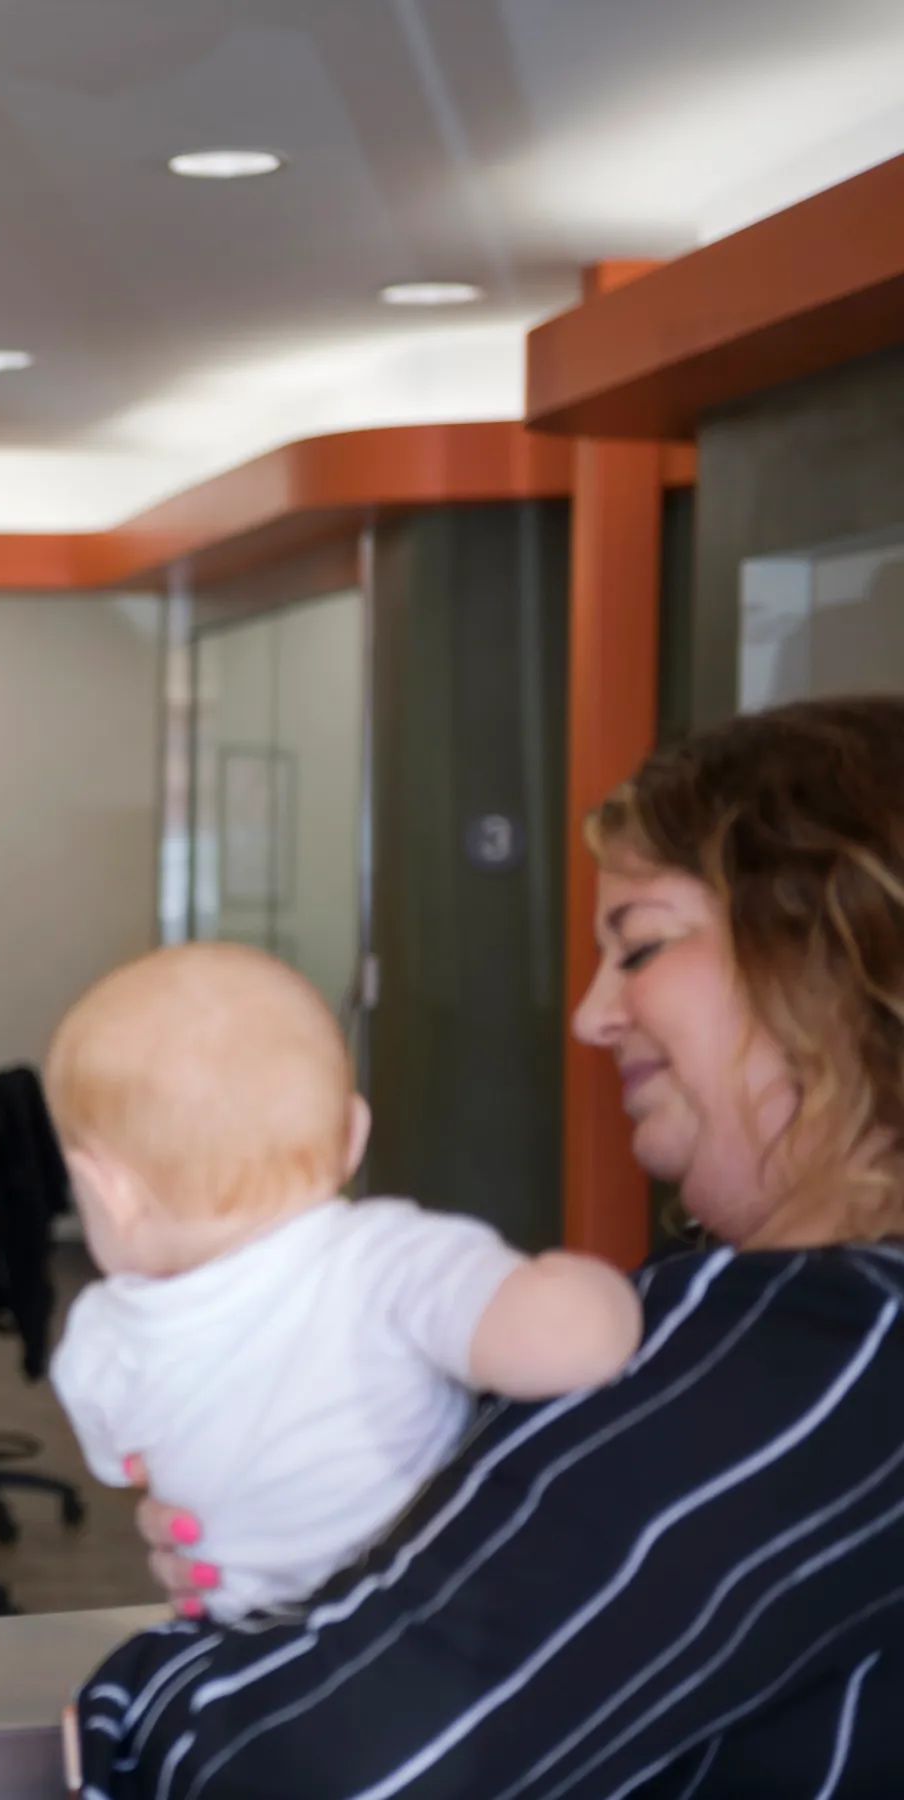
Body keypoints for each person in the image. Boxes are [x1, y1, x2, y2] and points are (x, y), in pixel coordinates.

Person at [75, 695, 904, 1796]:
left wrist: (172, 1679)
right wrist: (367, 1529)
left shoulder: (824, 1343)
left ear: (837, 953)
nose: (589, 1017)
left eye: (642, 946)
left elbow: (297, 1766)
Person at [44, 941, 641, 1622]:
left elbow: (133, 1474)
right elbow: (572, 1343)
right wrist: (589, 1290)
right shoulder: (384, 1257)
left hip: (241, 1637)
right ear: (353, 1136)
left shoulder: (99, 1337)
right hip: (417, 1616)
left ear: (109, 1191)